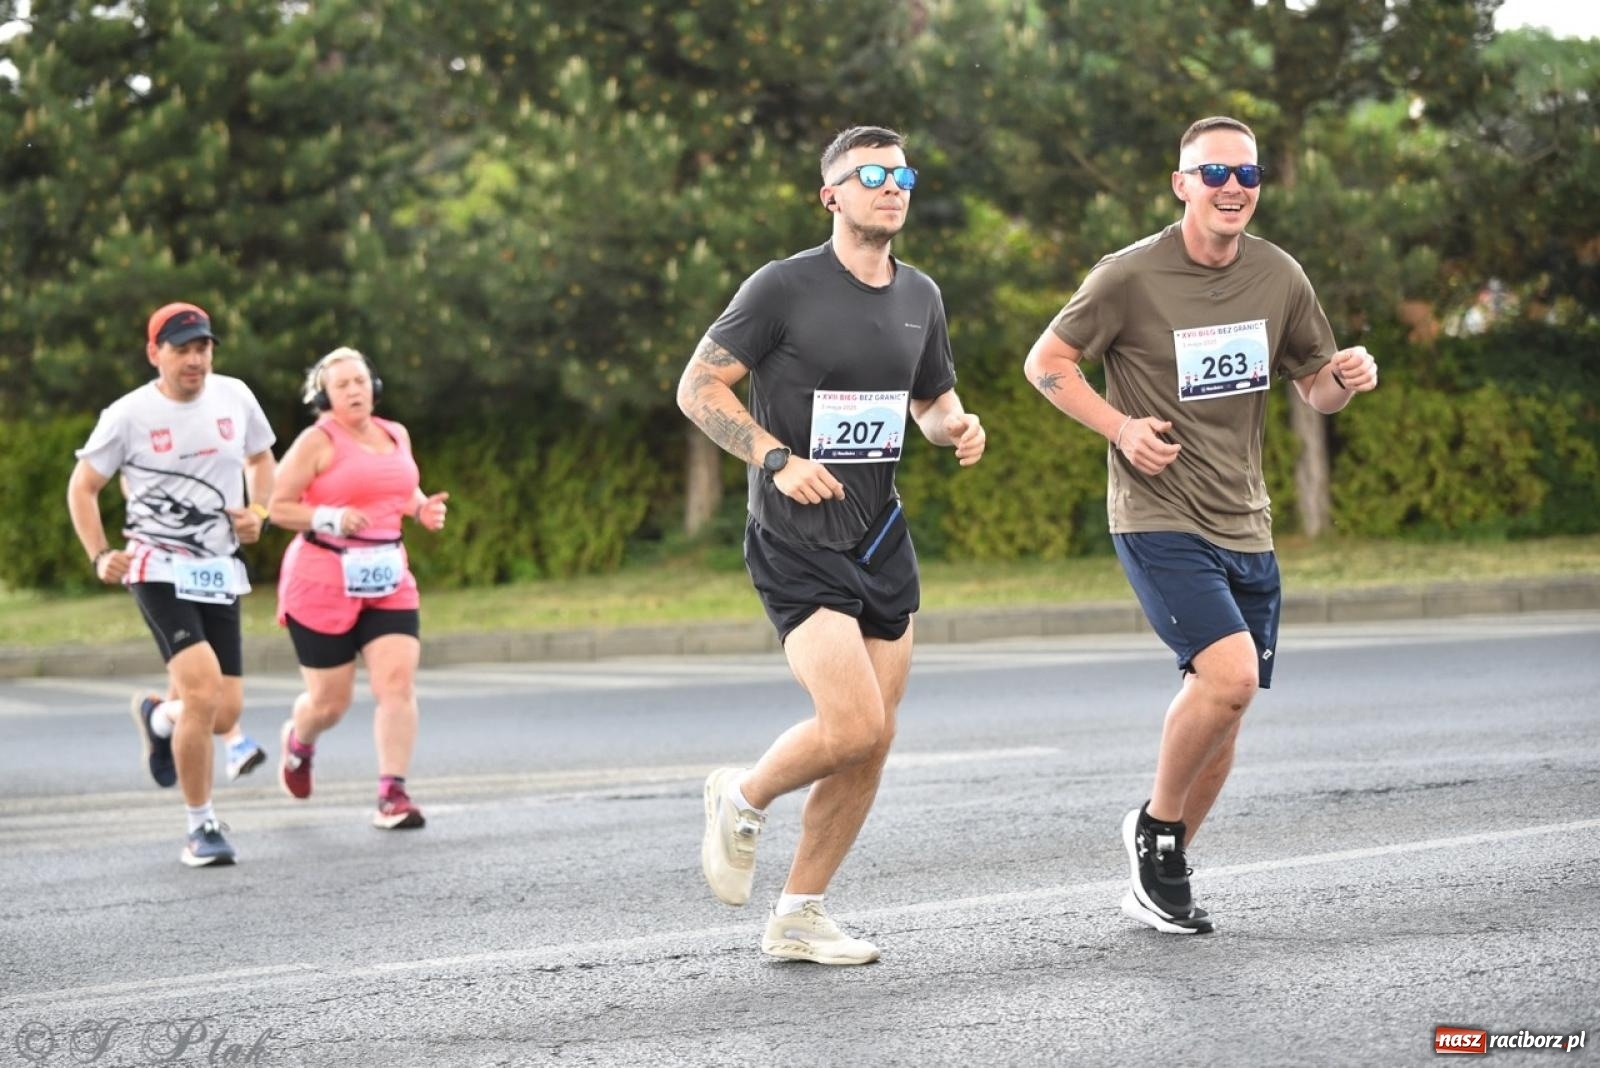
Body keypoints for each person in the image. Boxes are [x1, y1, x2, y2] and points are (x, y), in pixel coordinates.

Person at [1023, 116, 1379, 934]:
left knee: (1226, 706)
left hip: (1244, 519)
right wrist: (1121, 428)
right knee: (1229, 677)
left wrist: (1344, 378)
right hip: (1157, 513)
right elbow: (1047, 364)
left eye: (1246, 175)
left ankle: (1165, 857)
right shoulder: (1129, 276)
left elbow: (1313, 389)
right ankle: (1156, 829)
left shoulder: (1279, 275)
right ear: (1180, 183)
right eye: (1213, 172)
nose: (1231, 188)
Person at [677, 125, 986, 965]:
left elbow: (931, 402)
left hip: (881, 535)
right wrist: (774, 458)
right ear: (833, 195)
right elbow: (697, 385)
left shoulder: (921, 293)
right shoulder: (783, 287)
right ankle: (740, 795)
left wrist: (956, 426)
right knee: (850, 724)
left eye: (903, 174)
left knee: (874, 738)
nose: (892, 186)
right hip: (795, 537)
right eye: (872, 174)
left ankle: (800, 914)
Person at [66, 301, 277, 867]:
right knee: (204, 690)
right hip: (156, 566)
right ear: (154, 353)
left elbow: (261, 457)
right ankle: (200, 826)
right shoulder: (128, 415)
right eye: (181, 349)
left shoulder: (235, 396)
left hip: (218, 565)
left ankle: (160, 718)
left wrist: (260, 507)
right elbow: (82, 487)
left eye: (202, 347)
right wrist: (100, 553)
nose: (194, 359)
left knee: (225, 713)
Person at [267, 347, 449, 830]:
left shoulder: (395, 433)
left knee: (397, 684)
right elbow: (277, 506)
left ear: (375, 387)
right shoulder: (316, 441)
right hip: (320, 582)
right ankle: (300, 742)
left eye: (361, 381)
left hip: (388, 579)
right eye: (343, 384)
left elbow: (397, 488)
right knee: (330, 702)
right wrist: (330, 516)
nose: (354, 390)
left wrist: (420, 508)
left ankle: (393, 794)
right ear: (324, 395)